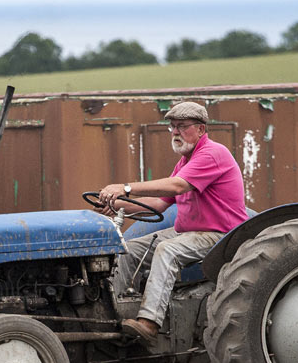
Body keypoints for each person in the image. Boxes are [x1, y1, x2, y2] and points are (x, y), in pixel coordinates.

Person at [93, 100, 249, 341]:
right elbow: (158, 205)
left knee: (167, 251)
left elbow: (177, 186)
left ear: (200, 129)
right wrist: (115, 206)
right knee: (128, 249)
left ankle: (149, 322)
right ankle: (112, 313)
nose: (175, 132)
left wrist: (125, 188)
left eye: (182, 126)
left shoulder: (213, 154)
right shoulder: (185, 162)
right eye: (173, 127)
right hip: (189, 234)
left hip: (220, 236)